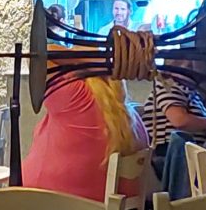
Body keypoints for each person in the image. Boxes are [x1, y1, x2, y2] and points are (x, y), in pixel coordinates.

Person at [21, 63, 147, 202]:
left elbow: (40, 58)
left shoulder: (75, 96)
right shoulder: (134, 121)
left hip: (43, 209)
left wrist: (93, 59)